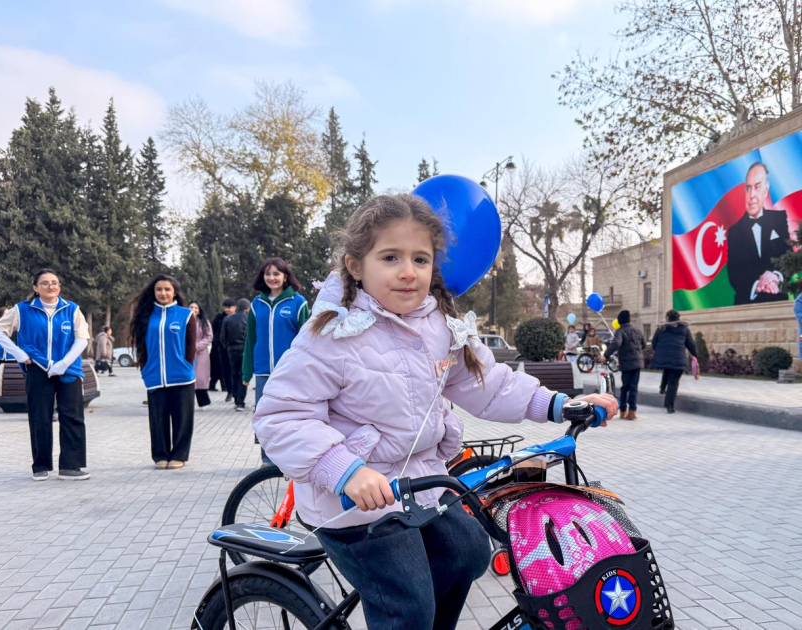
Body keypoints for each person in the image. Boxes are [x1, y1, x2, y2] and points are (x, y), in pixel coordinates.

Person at [251, 194, 619, 630]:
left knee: (470, 553)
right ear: (355, 266)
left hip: (420, 485)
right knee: (408, 602)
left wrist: (558, 404)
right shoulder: (333, 334)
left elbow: (488, 383)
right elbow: (280, 416)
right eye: (390, 257)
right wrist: (345, 471)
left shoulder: (439, 325)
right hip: (355, 502)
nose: (408, 271)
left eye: (420, 259)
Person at [0, 269, 91, 481]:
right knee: (40, 417)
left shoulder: (72, 309)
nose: (50, 286)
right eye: (44, 283)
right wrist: (19, 353)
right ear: (35, 288)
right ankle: (40, 466)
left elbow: (82, 339)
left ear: (59, 287)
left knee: (72, 416)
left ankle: (71, 466)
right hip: (37, 368)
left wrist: (63, 364)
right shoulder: (22, 310)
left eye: (54, 282)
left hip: (69, 370)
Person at [242, 257, 310, 464]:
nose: (272, 278)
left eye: (276, 273)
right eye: (268, 274)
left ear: (285, 276)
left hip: (290, 372)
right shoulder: (257, 304)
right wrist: (247, 371)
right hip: (263, 371)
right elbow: (251, 339)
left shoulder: (298, 303)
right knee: (265, 418)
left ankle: (289, 461)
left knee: (289, 417)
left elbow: (307, 340)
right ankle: (267, 461)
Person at [130, 275, 197, 470]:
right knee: (157, 420)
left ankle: (179, 454)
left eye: (167, 289)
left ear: (174, 292)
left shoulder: (186, 315)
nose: (163, 293)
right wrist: (145, 368)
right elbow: (141, 346)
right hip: (155, 376)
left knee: (182, 419)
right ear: (153, 292)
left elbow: (191, 346)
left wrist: (186, 365)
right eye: (159, 289)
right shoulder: (146, 316)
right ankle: (160, 455)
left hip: (182, 377)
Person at [727, 162, 792, 305]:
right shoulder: (733, 232)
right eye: (748, 188)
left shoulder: (779, 219)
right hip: (745, 306)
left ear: (766, 190)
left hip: (778, 302)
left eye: (757, 187)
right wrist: (757, 285)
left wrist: (775, 277)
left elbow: (787, 254)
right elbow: (734, 273)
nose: (752, 195)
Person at [651, 309, 698, 414]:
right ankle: (670, 406)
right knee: (673, 382)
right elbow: (691, 345)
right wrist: (695, 355)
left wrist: (660, 351)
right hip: (679, 359)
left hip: (665, 357)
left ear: (667, 318)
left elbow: (654, 344)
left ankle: (662, 388)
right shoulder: (685, 329)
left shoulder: (661, 329)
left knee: (668, 368)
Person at [604, 310, 647, 420]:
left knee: (625, 388)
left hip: (626, 363)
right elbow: (644, 345)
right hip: (637, 363)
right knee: (633, 387)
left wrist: (606, 355)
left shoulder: (620, 331)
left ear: (619, 320)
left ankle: (623, 411)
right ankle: (632, 411)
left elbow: (616, 343)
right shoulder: (637, 330)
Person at [221, 298, 251, 411]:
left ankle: (235, 396)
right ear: (247, 308)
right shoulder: (249, 319)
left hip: (231, 349)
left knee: (233, 373)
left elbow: (223, 336)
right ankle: (240, 401)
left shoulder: (228, 318)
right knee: (243, 374)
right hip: (244, 349)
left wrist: (228, 347)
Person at [209, 299, 237, 399]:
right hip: (220, 347)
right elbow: (213, 330)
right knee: (222, 369)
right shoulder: (219, 318)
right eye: (225, 307)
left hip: (234, 347)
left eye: (229, 307)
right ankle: (227, 389)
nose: (227, 309)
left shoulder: (238, 317)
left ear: (235, 307)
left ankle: (233, 390)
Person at [189, 301, 214, 408]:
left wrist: (197, 346)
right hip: (186, 353)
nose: (193, 309)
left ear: (199, 311)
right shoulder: (183, 321)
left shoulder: (204, 322)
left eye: (196, 308)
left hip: (201, 353)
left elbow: (209, 336)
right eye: (191, 307)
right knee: (188, 378)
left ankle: (204, 402)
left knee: (200, 378)